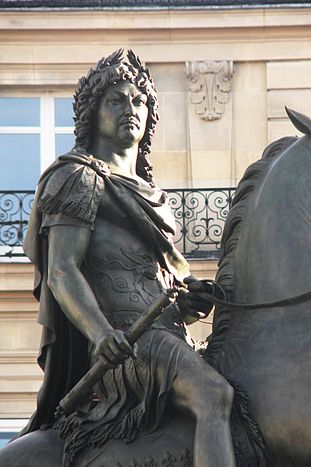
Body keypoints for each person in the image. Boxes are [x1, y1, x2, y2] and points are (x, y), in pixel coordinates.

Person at [22, 49, 236, 467]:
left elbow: (154, 280)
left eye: (139, 101)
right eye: (116, 100)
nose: (130, 108)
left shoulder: (153, 195)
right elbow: (63, 270)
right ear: (92, 113)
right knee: (215, 394)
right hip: (127, 343)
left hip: (170, 337)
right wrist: (101, 334)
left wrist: (188, 302)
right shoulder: (79, 177)